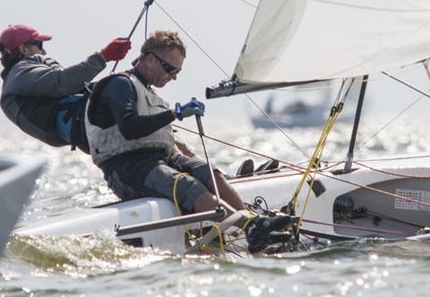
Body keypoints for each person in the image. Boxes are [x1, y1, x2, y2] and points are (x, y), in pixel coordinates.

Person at [84, 30, 293, 252]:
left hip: (161, 159)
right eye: (170, 69)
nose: (173, 77)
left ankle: (254, 224)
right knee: (188, 186)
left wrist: (193, 161)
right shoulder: (120, 85)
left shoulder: (150, 94)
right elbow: (130, 128)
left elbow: (167, 140)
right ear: (151, 59)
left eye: (178, 72)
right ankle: (250, 228)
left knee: (208, 172)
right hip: (128, 169)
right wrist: (175, 113)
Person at [0, 23, 131, 152]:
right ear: (23, 49)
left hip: (84, 133)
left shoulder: (16, 79)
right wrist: (103, 56)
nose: (44, 51)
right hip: (88, 124)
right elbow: (62, 82)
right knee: (123, 84)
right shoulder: (20, 73)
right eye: (39, 45)